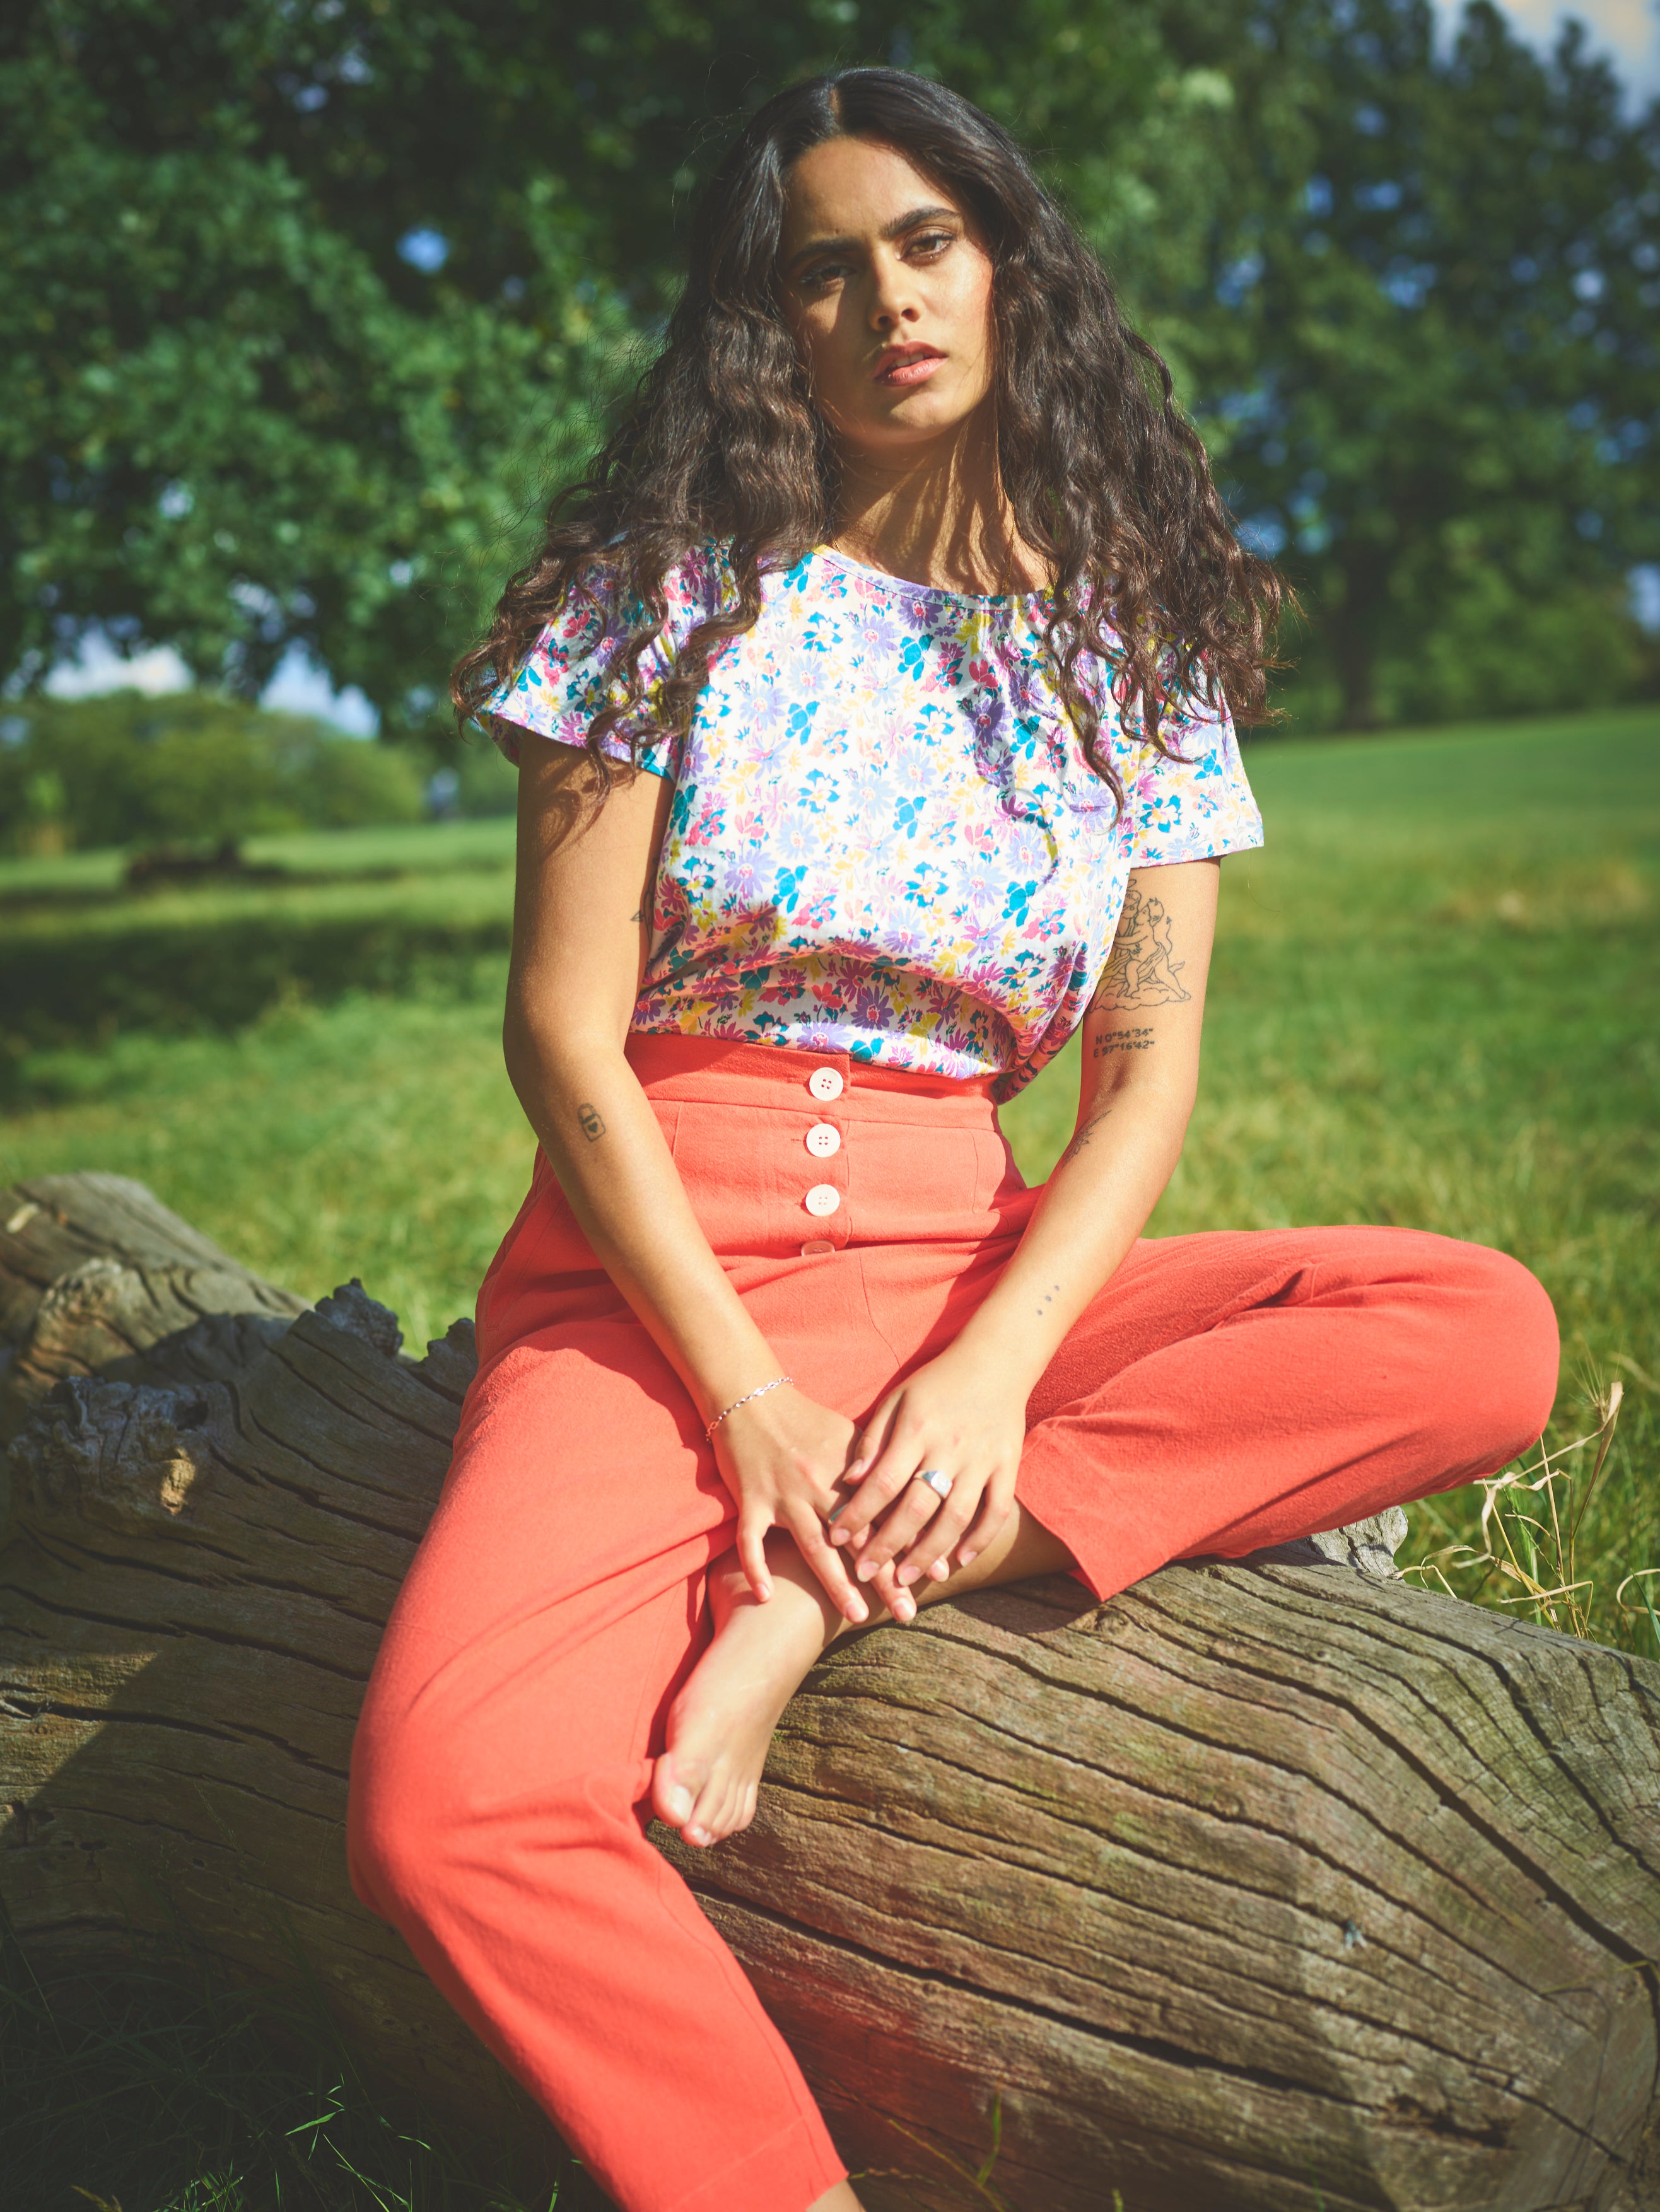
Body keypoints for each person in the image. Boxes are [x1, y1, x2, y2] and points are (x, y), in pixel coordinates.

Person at [347, 67, 1558, 2212]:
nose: (889, 300)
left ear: (1009, 267)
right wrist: (745, 1395)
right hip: (657, 1290)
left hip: (969, 1259)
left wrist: (987, 1379)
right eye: (826, 268)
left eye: (929, 242)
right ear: (771, 323)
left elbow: (1146, 1074)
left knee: (1480, 1332)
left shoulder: (1139, 649)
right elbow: (557, 1036)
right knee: (448, 1803)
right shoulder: (660, 592)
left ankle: (833, 1595)